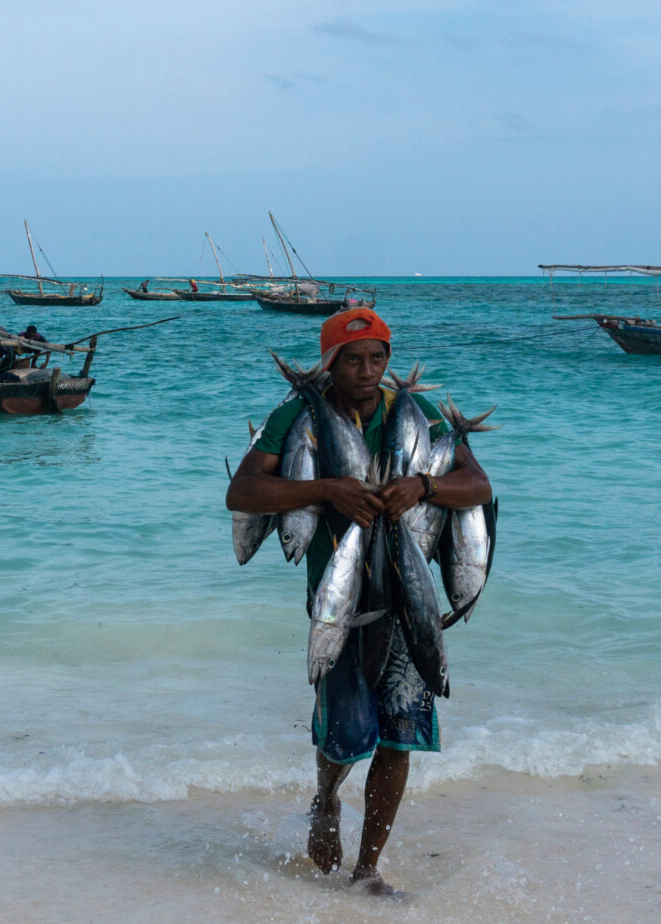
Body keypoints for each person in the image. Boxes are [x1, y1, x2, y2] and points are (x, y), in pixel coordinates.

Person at [225, 308, 493, 897]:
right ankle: (326, 798)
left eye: (377, 358)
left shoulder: (410, 414)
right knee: (345, 733)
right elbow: (241, 492)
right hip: (339, 602)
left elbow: (478, 485)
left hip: (407, 600)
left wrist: (423, 487)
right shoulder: (297, 416)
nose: (366, 371)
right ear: (330, 362)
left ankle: (369, 868)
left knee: (400, 734)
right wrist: (326, 490)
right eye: (352, 360)